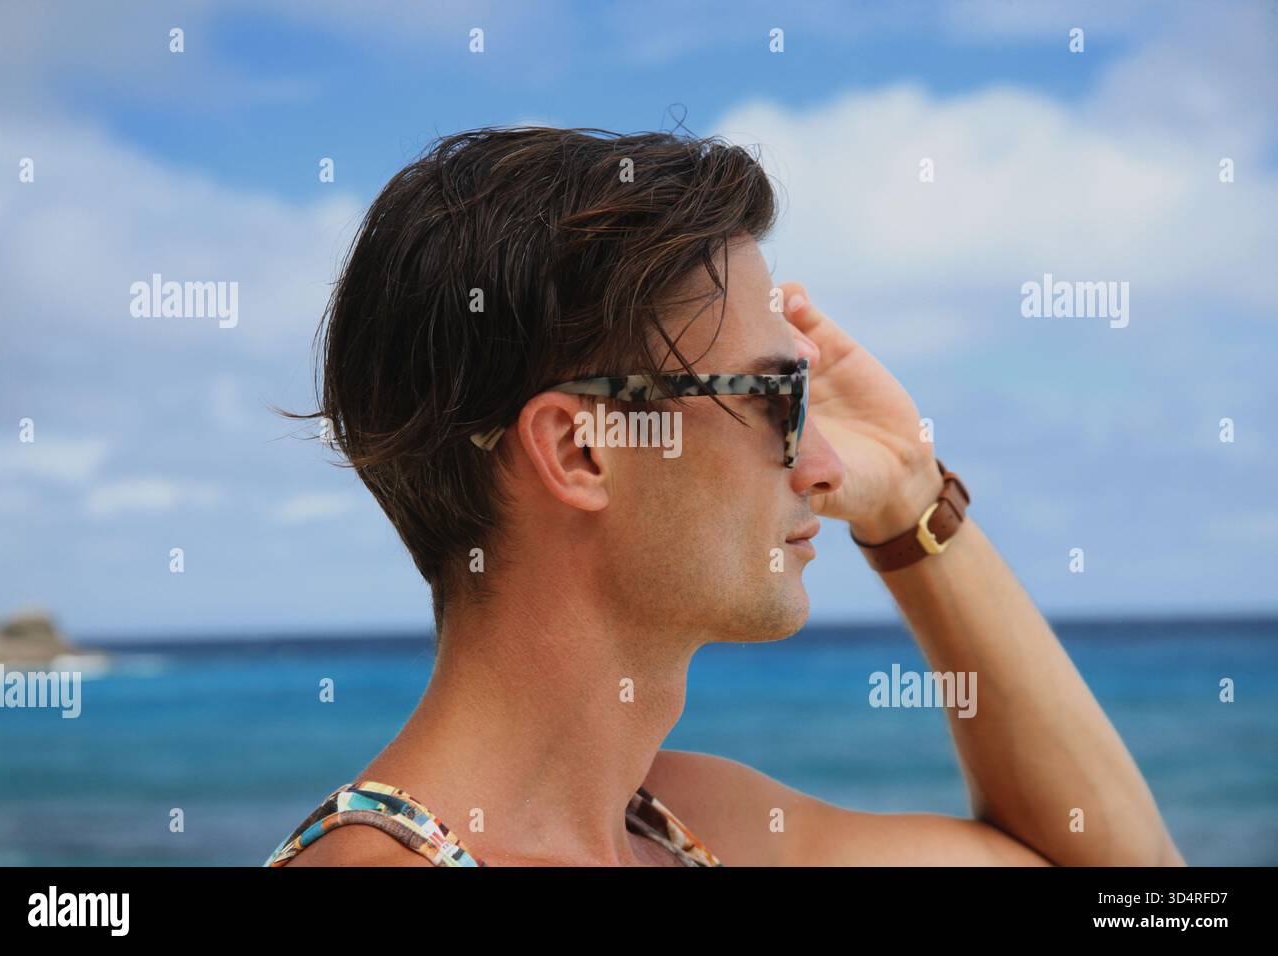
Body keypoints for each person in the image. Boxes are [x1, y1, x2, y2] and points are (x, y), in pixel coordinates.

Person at [268, 126, 1184, 867]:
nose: (825, 470)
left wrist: (912, 503)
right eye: (779, 398)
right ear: (585, 448)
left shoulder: (690, 825)